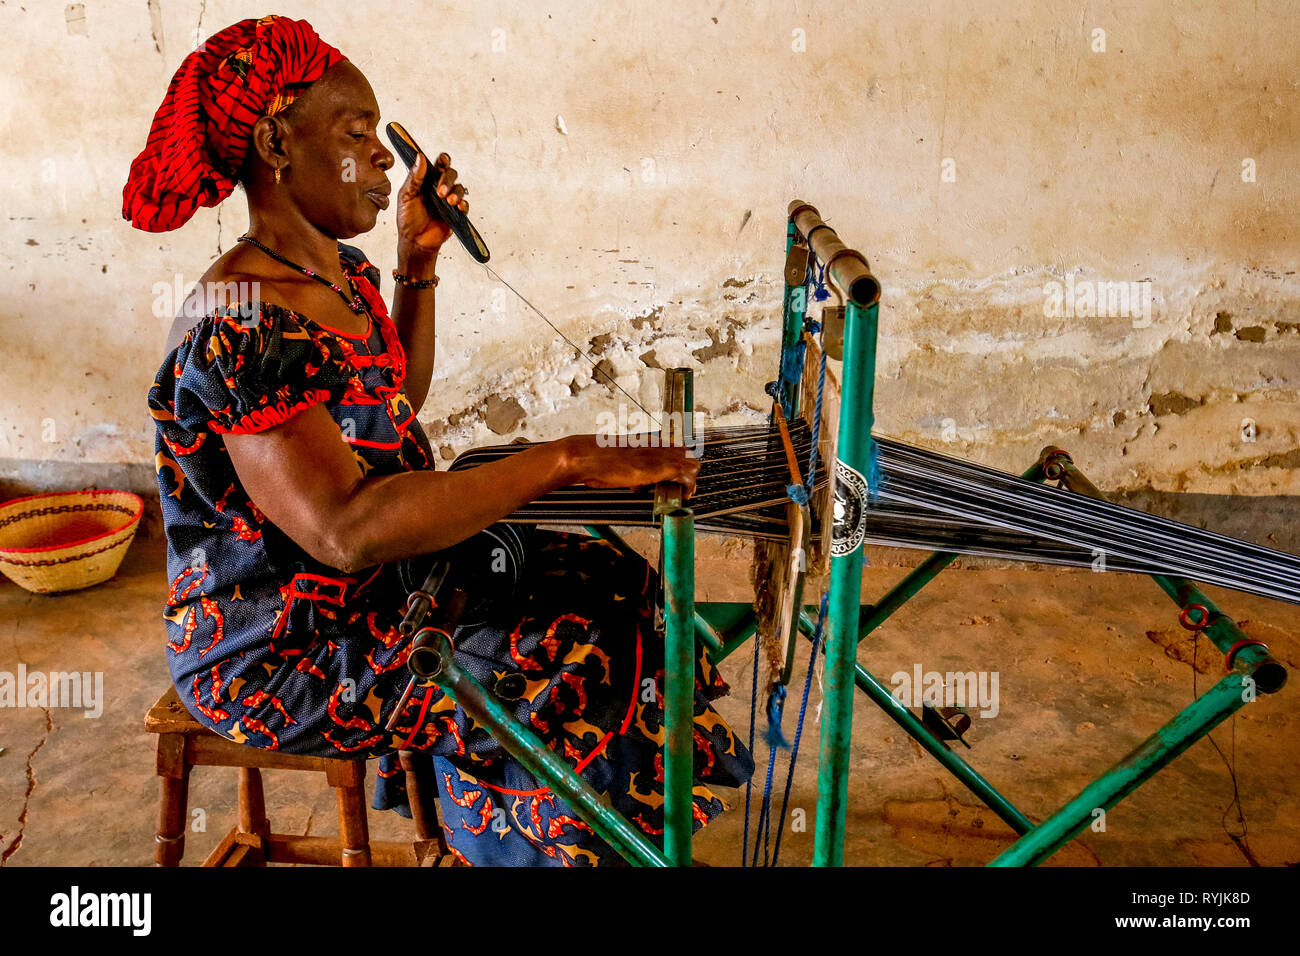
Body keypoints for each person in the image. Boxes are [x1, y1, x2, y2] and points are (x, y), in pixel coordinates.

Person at [124, 15, 754, 866]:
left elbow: (392, 406)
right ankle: (535, 849)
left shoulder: (338, 276)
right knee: (567, 657)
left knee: (612, 580)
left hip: (379, 594)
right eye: (357, 135)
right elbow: (345, 528)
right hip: (283, 651)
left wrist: (415, 263)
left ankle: (572, 835)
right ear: (275, 140)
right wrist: (559, 459)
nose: (385, 158)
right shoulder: (237, 321)